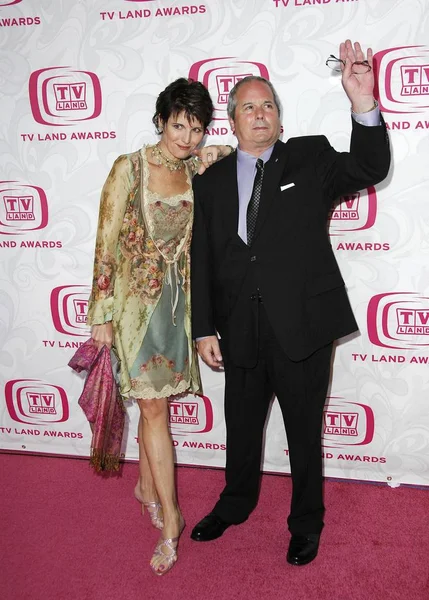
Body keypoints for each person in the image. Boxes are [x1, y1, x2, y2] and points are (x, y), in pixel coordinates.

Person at [190, 40, 390, 565]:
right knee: (241, 427)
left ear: (280, 117)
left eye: (269, 106)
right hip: (240, 329)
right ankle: (234, 505)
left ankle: (306, 523)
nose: (260, 114)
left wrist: (363, 102)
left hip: (302, 324)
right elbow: (203, 259)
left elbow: (370, 167)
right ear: (232, 122)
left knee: (304, 433)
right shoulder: (209, 180)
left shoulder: (310, 156)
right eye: (249, 107)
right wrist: (203, 328)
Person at [86, 78, 233, 576]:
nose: (187, 138)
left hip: (179, 308)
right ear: (159, 122)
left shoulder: (196, 167)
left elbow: (231, 151)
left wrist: (212, 149)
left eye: (196, 128)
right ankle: (172, 520)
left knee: (158, 406)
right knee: (153, 409)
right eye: (178, 126)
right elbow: (104, 243)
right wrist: (100, 315)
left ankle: (146, 486)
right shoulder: (128, 168)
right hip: (135, 309)